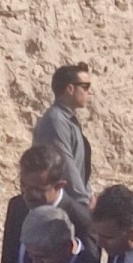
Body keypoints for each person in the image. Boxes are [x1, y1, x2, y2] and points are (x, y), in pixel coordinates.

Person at [32, 63, 93, 206]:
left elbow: (81, 165)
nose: (89, 92)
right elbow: (66, 165)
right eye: (85, 87)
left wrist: (88, 194)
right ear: (70, 89)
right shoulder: (56, 120)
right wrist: (83, 201)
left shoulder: (68, 120)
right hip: (62, 205)